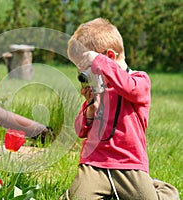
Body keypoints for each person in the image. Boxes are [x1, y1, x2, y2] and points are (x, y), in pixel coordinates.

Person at [60, 18, 179, 200]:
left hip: (128, 163)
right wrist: (90, 110)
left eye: (88, 69)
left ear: (108, 58)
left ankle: (158, 188)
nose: (84, 76)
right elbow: (80, 130)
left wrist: (99, 63)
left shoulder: (139, 80)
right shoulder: (97, 89)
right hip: (94, 163)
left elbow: (129, 88)